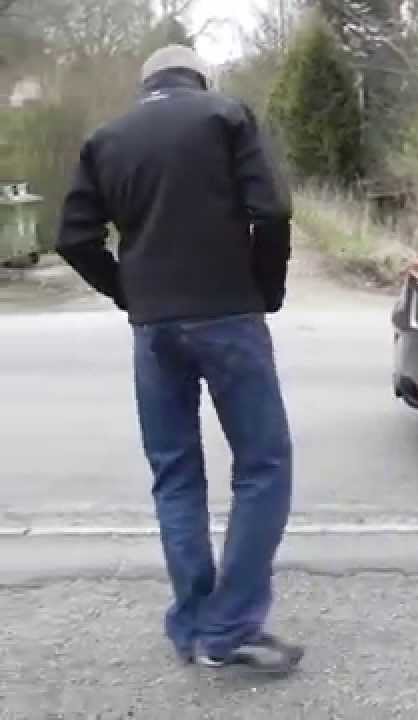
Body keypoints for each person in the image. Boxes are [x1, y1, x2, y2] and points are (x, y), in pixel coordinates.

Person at [55, 45, 303, 674]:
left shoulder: (106, 139)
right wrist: (264, 290)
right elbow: (271, 209)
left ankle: (196, 624)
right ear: (199, 78)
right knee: (263, 467)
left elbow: (74, 239)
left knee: (175, 474)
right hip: (228, 316)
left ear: (146, 85)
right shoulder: (225, 116)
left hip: (154, 328)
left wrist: (128, 292)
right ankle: (229, 629)